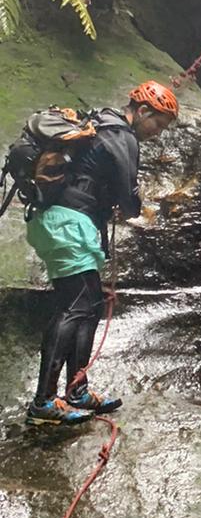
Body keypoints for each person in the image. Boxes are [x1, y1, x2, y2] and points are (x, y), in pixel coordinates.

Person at [25, 81, 178, 426]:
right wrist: (132, 203)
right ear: (143, 111)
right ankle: (44, 401)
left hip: (58, 221)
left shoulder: (100, 123)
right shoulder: (122, 136)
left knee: (90, 305)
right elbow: (130, 200)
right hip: (69, 224)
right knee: (75, 306)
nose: (157, 132)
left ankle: (76, 390)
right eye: (158, 123)